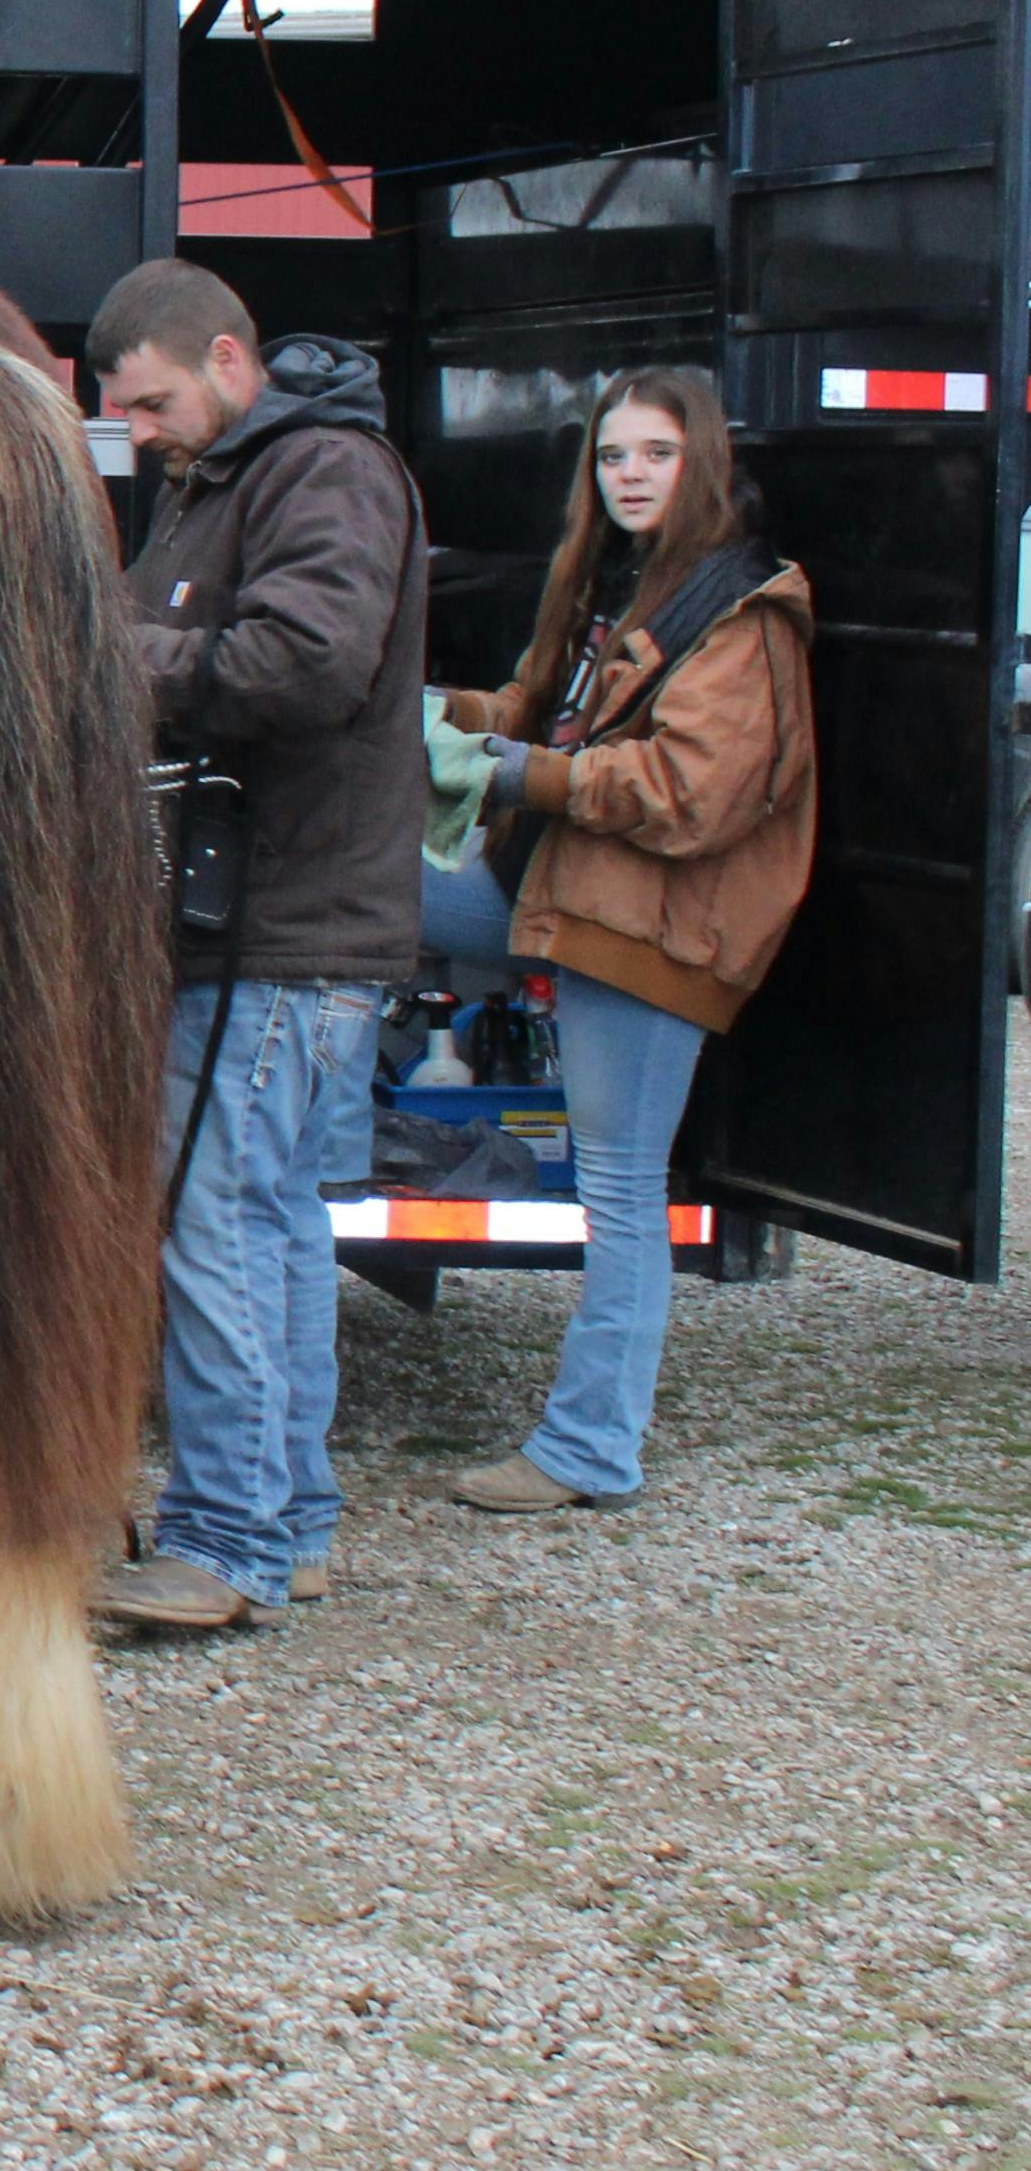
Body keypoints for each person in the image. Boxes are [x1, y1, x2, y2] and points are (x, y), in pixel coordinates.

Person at [86, 260, 427, 1636]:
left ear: (230, 358)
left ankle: (221, 1538)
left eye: (155, 401)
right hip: (283, 920)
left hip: (277, 925)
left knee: (210, 1218)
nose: (143, 430)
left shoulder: (324, 469)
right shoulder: (234, 475)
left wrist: (95, 655)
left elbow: (302, 662)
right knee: (274, 1221)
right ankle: (285, 1523)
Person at [422, 367, 813, 1516]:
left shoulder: (741, 611)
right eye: (610, 456)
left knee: (618, 1188)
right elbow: (537, 710)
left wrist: (519, 770)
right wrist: (431, 711)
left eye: (654, 453)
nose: (628, 475)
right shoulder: (616, 582)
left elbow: (690, 790)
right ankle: (332, 1129)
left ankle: (591, 1448)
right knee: (351, 895)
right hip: (565, 888)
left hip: (652, 930)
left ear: (700, 464)